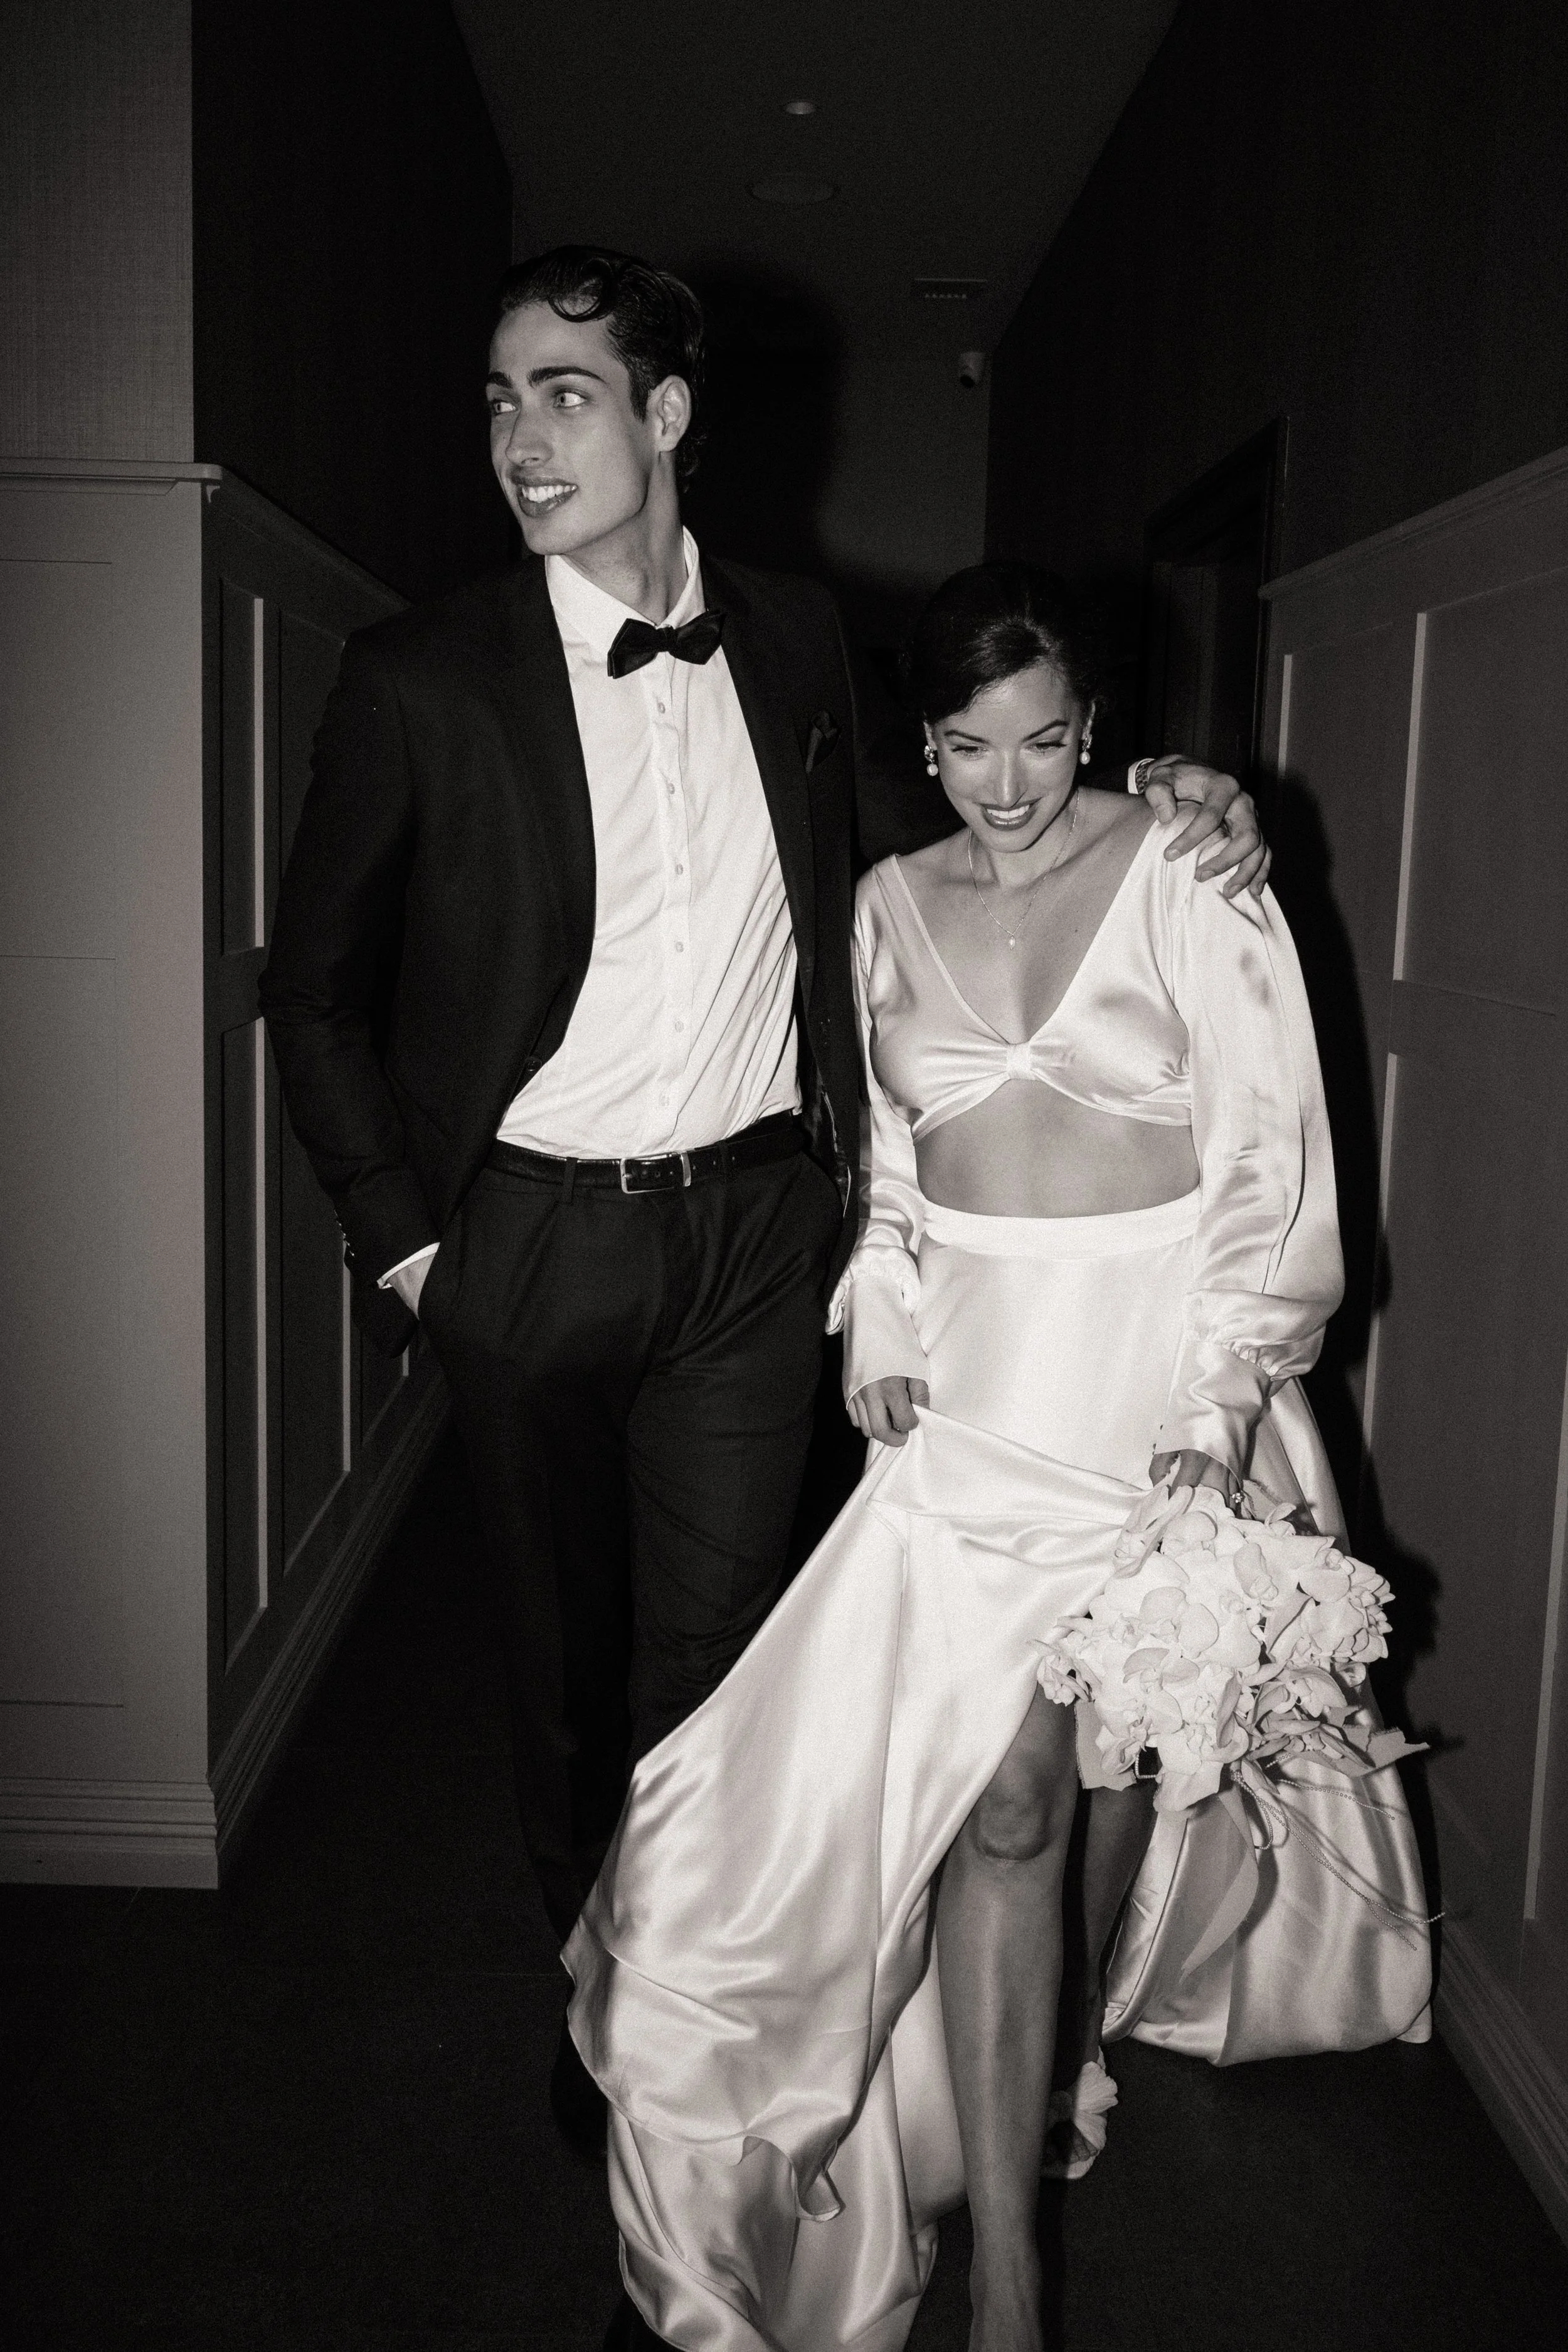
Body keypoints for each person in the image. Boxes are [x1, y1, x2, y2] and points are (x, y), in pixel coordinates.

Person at [257, 246, 1264, 2173]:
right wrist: (414, 1246)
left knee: (717, 1672)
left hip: (751, 1241)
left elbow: (985, 812)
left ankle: (682, 2015)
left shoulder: (800, 641)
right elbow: (312, 993)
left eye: (562, 391)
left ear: (667, 416)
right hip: (523, 1238)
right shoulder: (421, 673)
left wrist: (1171, 794)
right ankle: (587, 1961)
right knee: (561, 1670)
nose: (518, 436)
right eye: (495, 397)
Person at [564, 566, 1431, 2352]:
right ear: (927, 746)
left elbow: (1272, 1164)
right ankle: (1019, 2244)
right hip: (965, 1399)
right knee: (1006, 1795)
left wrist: (1213, 1413)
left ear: (1092, 727)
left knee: (1091, 1781)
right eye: (968, 746)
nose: (1009, 783)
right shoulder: (887, 902)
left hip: (1150, 1390)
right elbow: (883, 1160)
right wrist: (876, 1316)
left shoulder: (1194, 875)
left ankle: (1035, 2146)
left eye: (1043, 739)